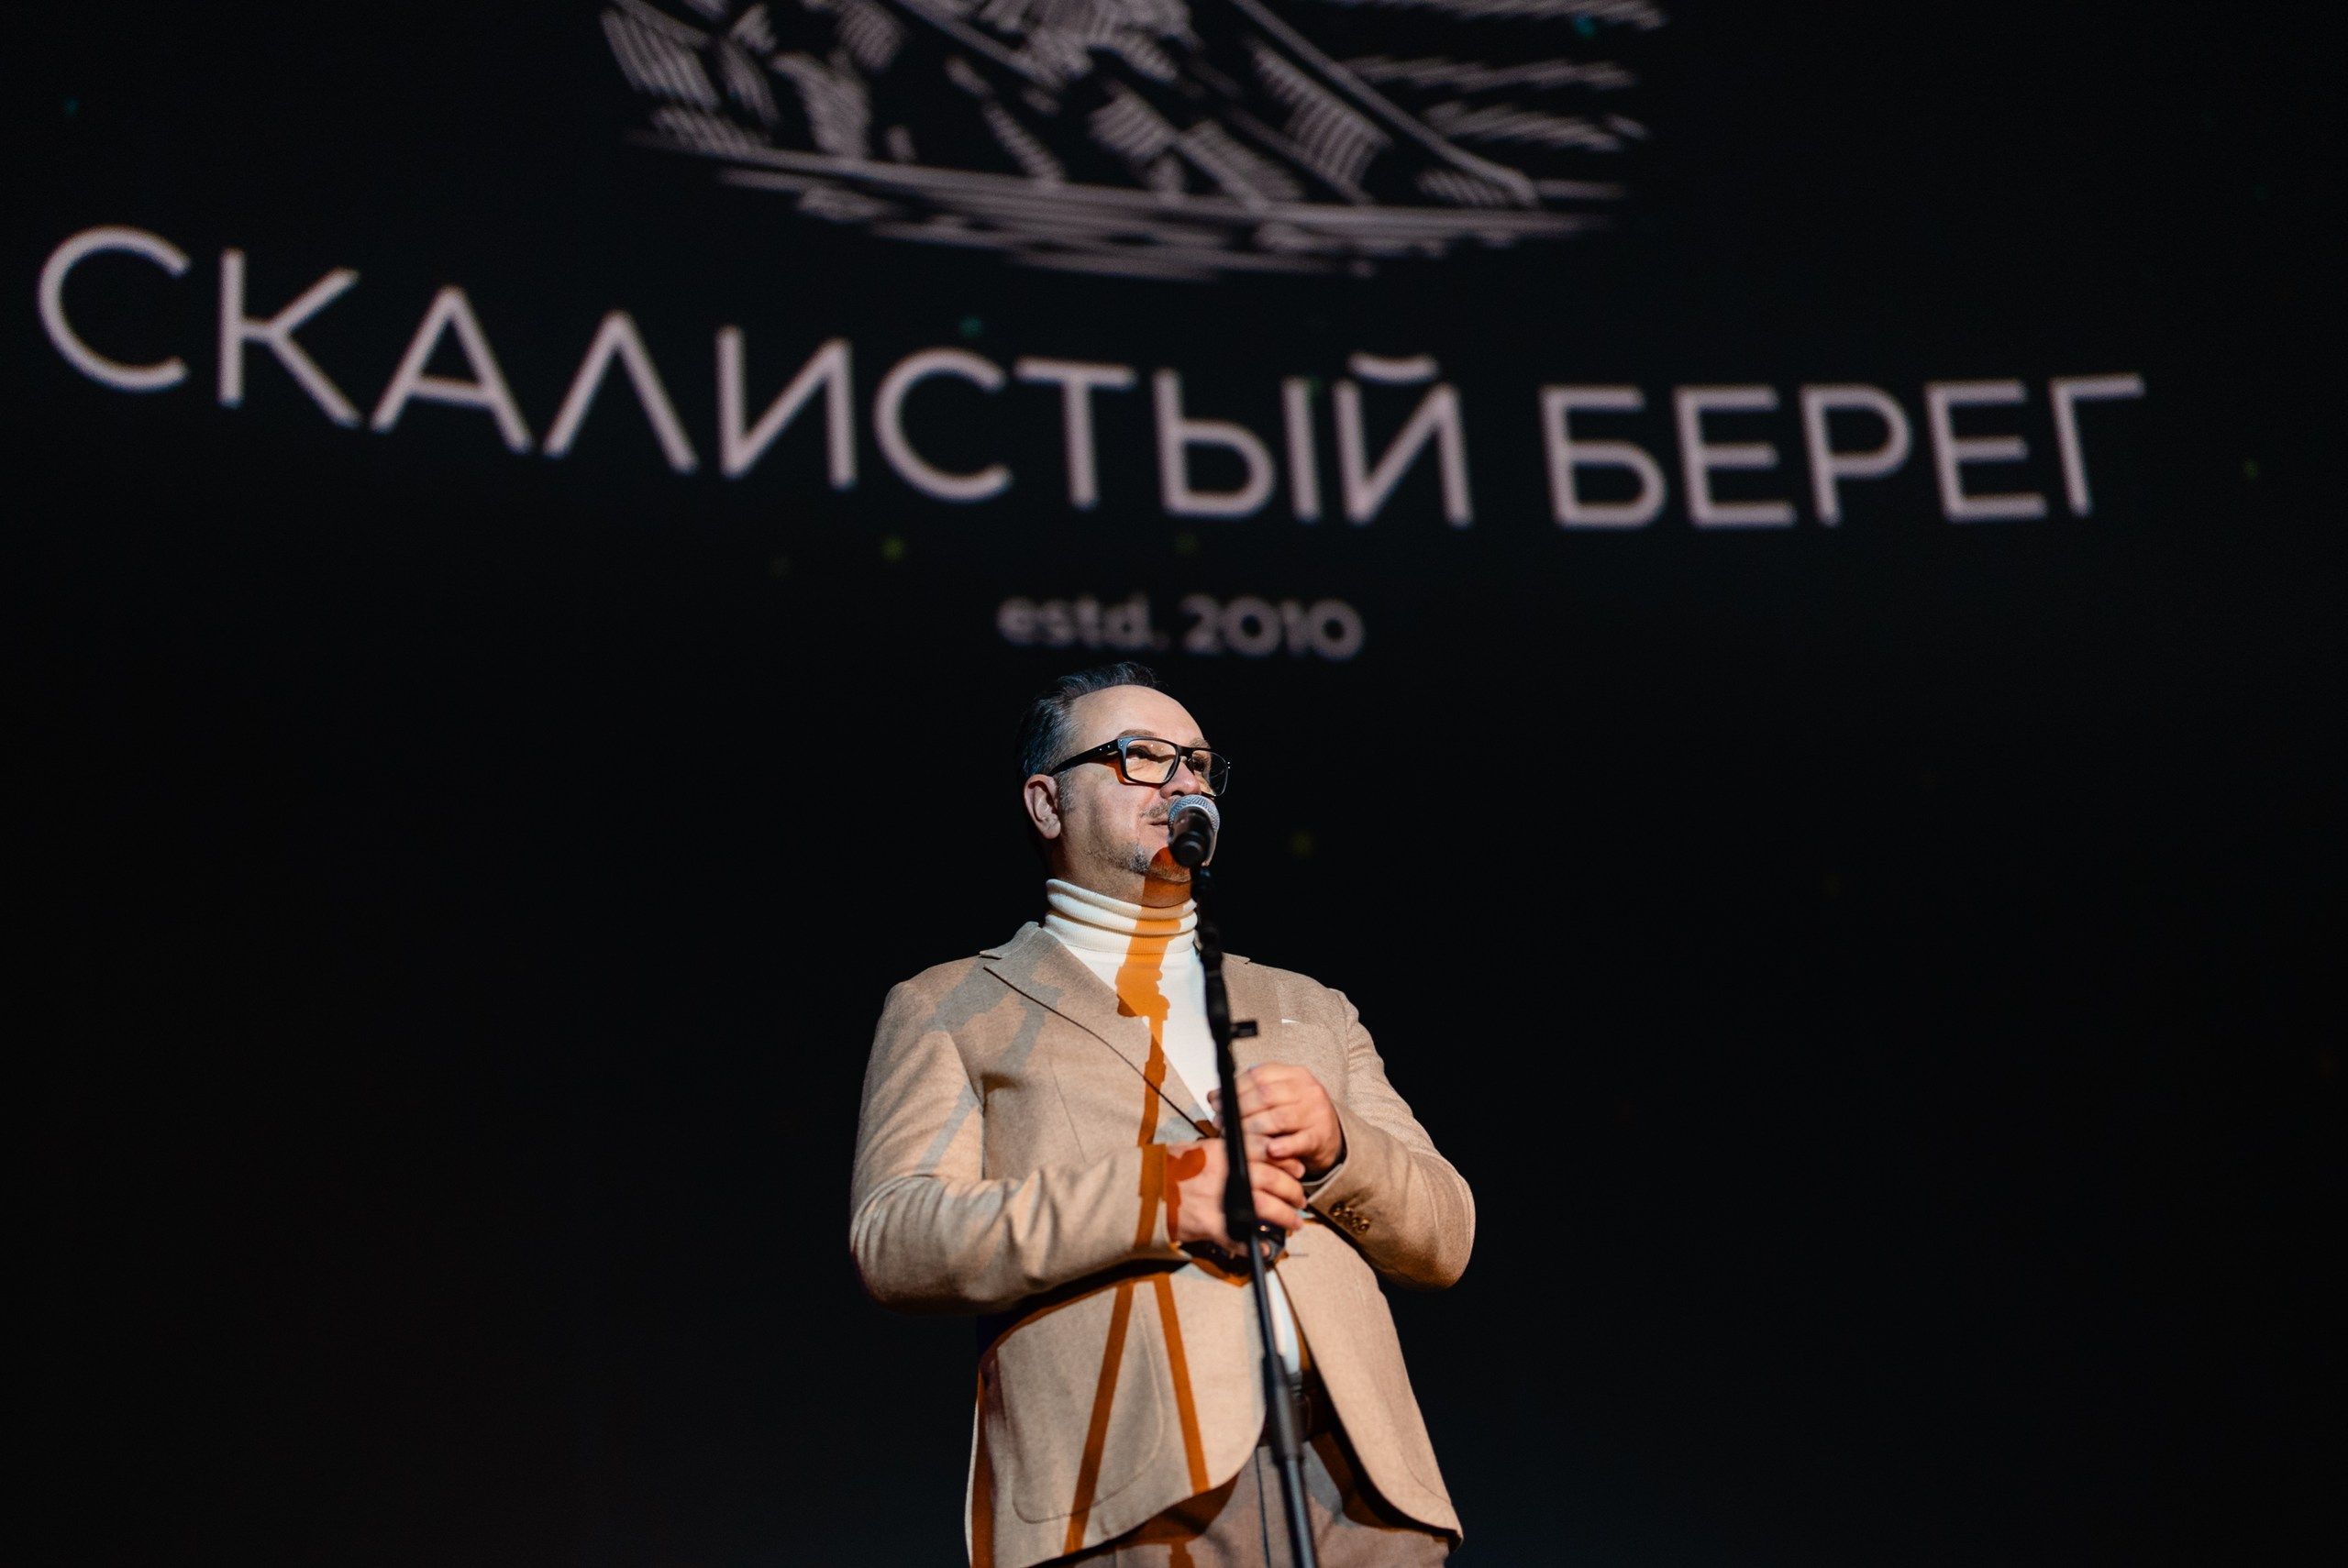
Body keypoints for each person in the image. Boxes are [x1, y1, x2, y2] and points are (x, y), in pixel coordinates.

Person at [849, 663, 1471, 1567]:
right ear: (1045, 803)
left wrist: (1341, 1148)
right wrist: (1156, 1198)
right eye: (1140, 757)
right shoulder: (951, 1004)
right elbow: (896, 1236)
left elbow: (1445, 1233)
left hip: (1357, 1491)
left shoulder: (1307, 1006)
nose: (1183, 780)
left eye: (1198, 762)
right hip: (1127, 1494)